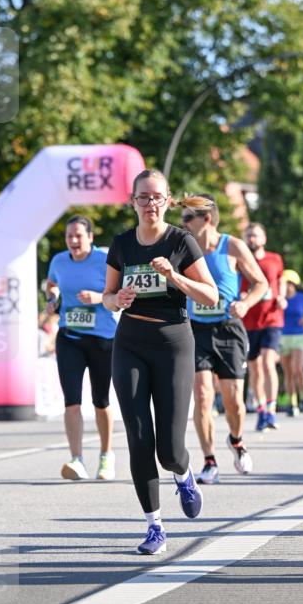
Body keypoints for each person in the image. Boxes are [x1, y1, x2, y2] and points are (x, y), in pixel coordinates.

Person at [103, 170, 218, 555]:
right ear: (132, 201)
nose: (149, 203)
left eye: (156, 197)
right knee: (138, 439)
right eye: (143, 197)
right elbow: (106, 295)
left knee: (169, 448)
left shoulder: (180, 241)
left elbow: (210, 297)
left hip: (173, 343)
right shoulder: (120, 244)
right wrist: (117, 301)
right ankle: (154, 527)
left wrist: (174, 278)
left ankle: (184, 477)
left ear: (168, 201)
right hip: (130, 342)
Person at [181, 195, 268, 482]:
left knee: (234, 401)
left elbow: (261, 283)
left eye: (188, 217)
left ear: (206, 219)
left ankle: (237, 440)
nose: (183, 223)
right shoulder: (184, 248)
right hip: (196, 329)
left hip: (228, 328)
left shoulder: (232, 246)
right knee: (203, 396)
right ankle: (209, 461)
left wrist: (245, 303)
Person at [46, 216, 117, 481]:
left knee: (101, 401)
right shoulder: (59, 261)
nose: (74, 241)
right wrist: (52, 298)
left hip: (102, 339)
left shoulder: (105, 259)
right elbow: (51, 283)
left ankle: (106, 456)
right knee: (72, 403)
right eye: (69, 236)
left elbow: (120, 293)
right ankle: (77, 459)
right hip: (70, 337)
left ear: (90, 237)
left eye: (78, 236)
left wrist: (99, 298)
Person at [241, 223, 286, 430]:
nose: (252, 239)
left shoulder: (274, 259)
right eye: (249, 236)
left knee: (268, 362)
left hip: (272, 318)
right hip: (249, 320)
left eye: (256, 236)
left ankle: (271, 410)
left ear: (264, 239)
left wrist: (282, 297)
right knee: (255, 369)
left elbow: (281, 279)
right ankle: (260, 410)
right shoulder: (240, 261)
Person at [280, 271, 303, 416]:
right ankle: (292, 403)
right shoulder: (280, 299)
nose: (286, 286)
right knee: (287, 372)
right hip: (283, 337)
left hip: (299, 336)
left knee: (297, 368)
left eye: (289, 283)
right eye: (284, 283)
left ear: (294, 284)